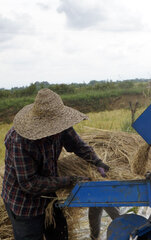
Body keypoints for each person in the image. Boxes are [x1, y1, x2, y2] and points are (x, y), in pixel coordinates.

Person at [1, 88, 110, 240]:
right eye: (53, 128)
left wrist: (96, 161)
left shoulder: (60, 125)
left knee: (59, 234)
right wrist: (70, 180)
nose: (58, 131)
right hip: (24, 203)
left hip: (49, 194)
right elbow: (29, 183)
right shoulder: (20, 141)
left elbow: (77, 144)